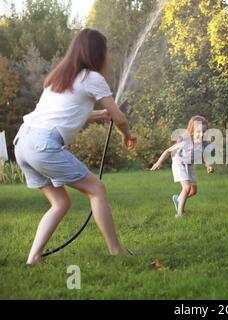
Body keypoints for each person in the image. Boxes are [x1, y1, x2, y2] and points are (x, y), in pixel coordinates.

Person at [13, 28, 137, 265]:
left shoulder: (58, 77)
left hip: (22, 142)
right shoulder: (92, 77)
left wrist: (100, 114)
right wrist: (127, 135)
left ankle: (34, 257)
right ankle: (116, 252)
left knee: (60, 203)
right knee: (97, 189)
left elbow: (66, 114)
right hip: (42, 145)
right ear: (98, 53)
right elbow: (120, 119)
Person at [151, 115, 214, 217]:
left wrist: (208, 166)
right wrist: (159, 162)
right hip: (179, 164)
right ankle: (180, 213)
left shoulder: (202, 143)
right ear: (192, 130)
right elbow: (168, 151)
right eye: (199, 131)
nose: (202, 134)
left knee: (193, 191)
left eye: (204, 131)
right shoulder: (185, 141)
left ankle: (178, 199)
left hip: (190, 166)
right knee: (187, 187)